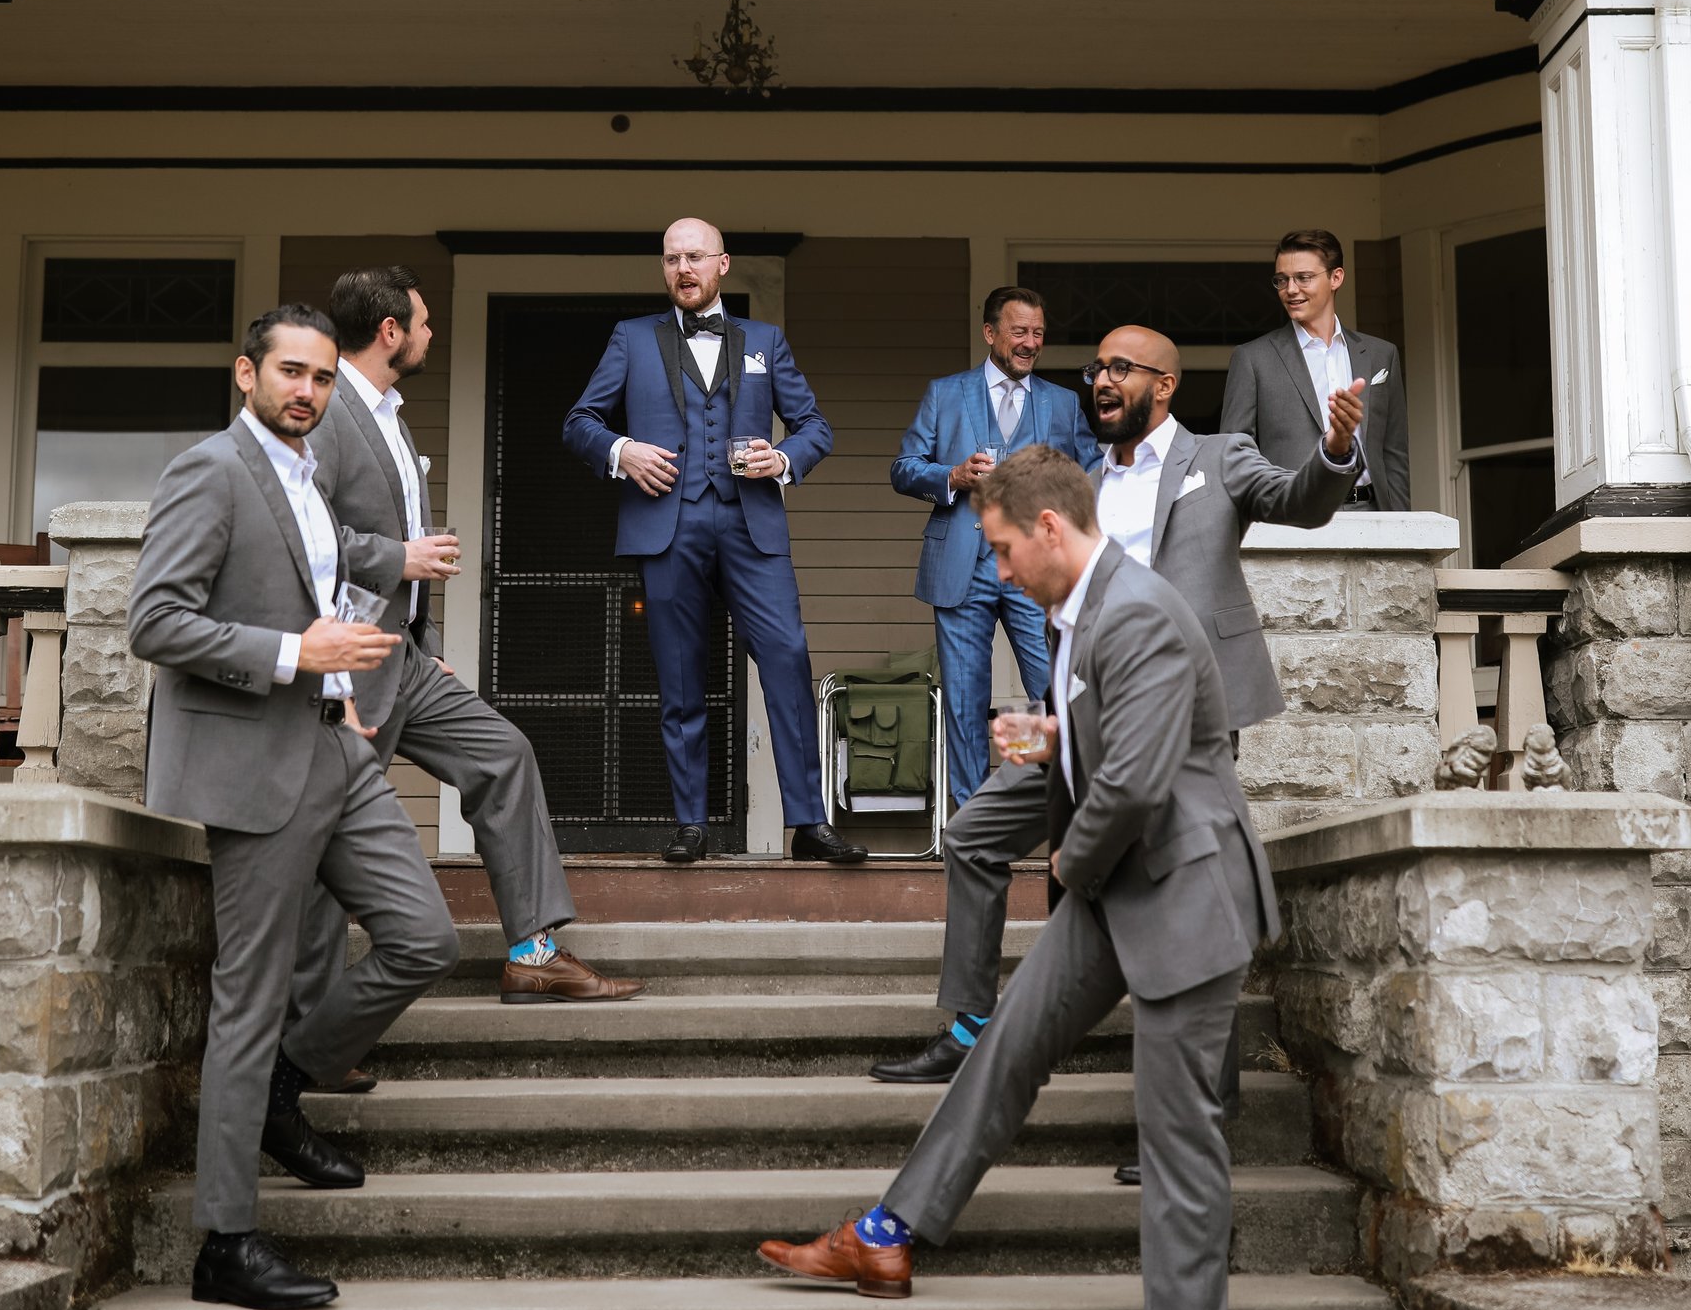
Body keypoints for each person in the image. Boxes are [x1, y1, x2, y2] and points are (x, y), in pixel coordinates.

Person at [756, 446, 1272, 1310]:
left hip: (1186, 895)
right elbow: (1113, 739)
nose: (995, 570)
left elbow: (1136, 783)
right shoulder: (1079, 609)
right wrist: (1048, 741)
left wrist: (1068, 864)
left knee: (1177, 1137)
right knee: (1003, 1052)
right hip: (1120, 885)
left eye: (999, 550)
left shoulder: (1139, 611)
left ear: (1048, 528)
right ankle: (886, 1235)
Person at [869, 324, 1360, 1089]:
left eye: (1121, 368)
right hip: (1078, 722)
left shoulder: (1218, 459)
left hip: (1179, 722)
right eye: (1095, 368)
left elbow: (1300, 501)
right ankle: (971, 1028)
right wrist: (1045, 719)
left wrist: (1334, 450)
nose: (1101, 380)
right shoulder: (1080, 487)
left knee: (1183, 887)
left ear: (1164, 385)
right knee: (973, 835)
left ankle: (1204, 1092)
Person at [129, 303, 462, 1310]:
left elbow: (320, 597)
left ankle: (283, 1083)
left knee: (424, 937)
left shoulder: (308, 478)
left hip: (334, 745)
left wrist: (340, 687)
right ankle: (225, 1242)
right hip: (254, 764)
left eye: (320, 376)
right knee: (250, 994)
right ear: (247, 374)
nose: (307, 390)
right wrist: (294, 655)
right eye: (289, 372)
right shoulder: (211, 471)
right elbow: (156, 620)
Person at [286, 265, 640, 1023]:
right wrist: (398, 559)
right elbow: (303, 536)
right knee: (330, 834)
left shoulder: (391, 414)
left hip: (406, 658)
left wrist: (425, 636)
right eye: (421, 322)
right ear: (390, 332)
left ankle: (533, 957)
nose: (430, 334)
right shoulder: (330, 412)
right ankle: (310, 1030)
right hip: (347, 663)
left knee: (502, 755)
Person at [562, 217, 865, 866]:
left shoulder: (765, 341)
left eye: (695, 257)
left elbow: (814, 426)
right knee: (680, 675)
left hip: (751, 524)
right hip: (667, 525)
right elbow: (579, 421)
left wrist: (781, 459)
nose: (683, 269)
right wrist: (622, 450)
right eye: (672, 259)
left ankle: (808, 823)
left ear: (722, 264)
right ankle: (692, 823)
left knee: (787, 659)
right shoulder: (632, 337)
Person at [893, 286, 1100, 810]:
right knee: (964, 703)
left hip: (1037, 571)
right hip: (961, 566)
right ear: (990, 333)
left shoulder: (1062, 402)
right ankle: (971, 820)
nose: (1030, 343)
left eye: (1038, 333)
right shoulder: (945, 394)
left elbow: (1094, 471)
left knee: (1053, 690)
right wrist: (952, 476)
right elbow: (904, 468)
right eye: (1019, 331)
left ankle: (1051, 807)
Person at [1223, 228, 1409, 510]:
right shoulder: (1252, 358)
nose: (1290, 289)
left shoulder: (1381, 355)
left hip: (1370, 512)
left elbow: (1394, 454)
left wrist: (1401, 524)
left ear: (1336, 278)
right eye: (1282, 280)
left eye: (1303, 277)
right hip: (1291, 517)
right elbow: (1234, 456)